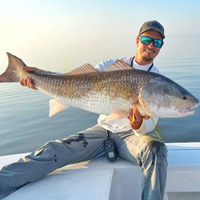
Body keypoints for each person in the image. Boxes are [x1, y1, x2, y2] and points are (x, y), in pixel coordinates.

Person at [0, 20, 168, 200]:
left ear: (160, 47)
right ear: (137, 41)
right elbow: (75, 81)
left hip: (132, 138)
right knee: (53, 150)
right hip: (102, 132)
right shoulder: (111, 65)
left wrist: (138, 124)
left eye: (157, 42)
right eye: (146, 39)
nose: (151, 45)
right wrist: (39, 75)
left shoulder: (159, 84)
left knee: (156, 150)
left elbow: (149, 126)